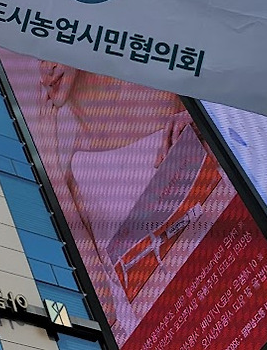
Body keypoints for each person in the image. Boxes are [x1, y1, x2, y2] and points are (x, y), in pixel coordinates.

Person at [23, 59, 224, 335]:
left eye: (46, 49)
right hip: (166, 328)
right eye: (35, 58)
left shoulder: (166, 93)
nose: (46, 68)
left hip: (225, 284)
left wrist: (209, 125)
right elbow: (105, 310)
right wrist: (51, 167)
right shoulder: (75, 175)